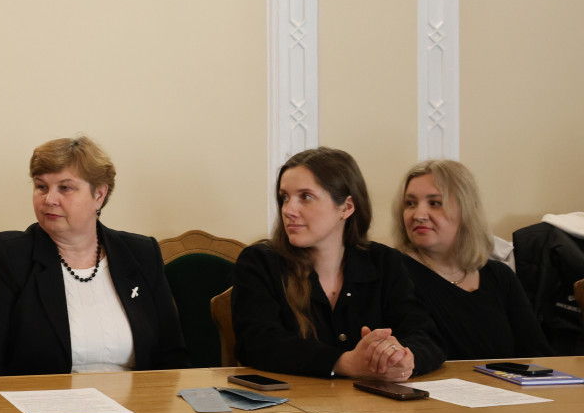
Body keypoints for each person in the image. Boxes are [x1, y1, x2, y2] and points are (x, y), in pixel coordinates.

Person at [0, 135, 188, 376]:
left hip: (136, 399)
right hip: (42, 399)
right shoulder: (11, 256)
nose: (49, 199)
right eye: (41, 187)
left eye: (65, 188)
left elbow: (172, 357)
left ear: (99, 195)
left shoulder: (140, 254)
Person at [232, 147, 443, 380]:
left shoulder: (385, 262)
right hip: (291, 401)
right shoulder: (260, 261)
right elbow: (257, 343)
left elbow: (426, 336)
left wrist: (401, 357)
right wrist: (343, 363)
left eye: (306, 197)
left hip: (373, 401)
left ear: (347, 207)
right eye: (285, 198)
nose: (288, 210)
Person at [395, 159, 551, 360]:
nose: (419, 215)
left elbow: (538, 356)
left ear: (466, 210)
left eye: (434, 203)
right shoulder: (395, 274)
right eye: (410, 204)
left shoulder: (500, 276)